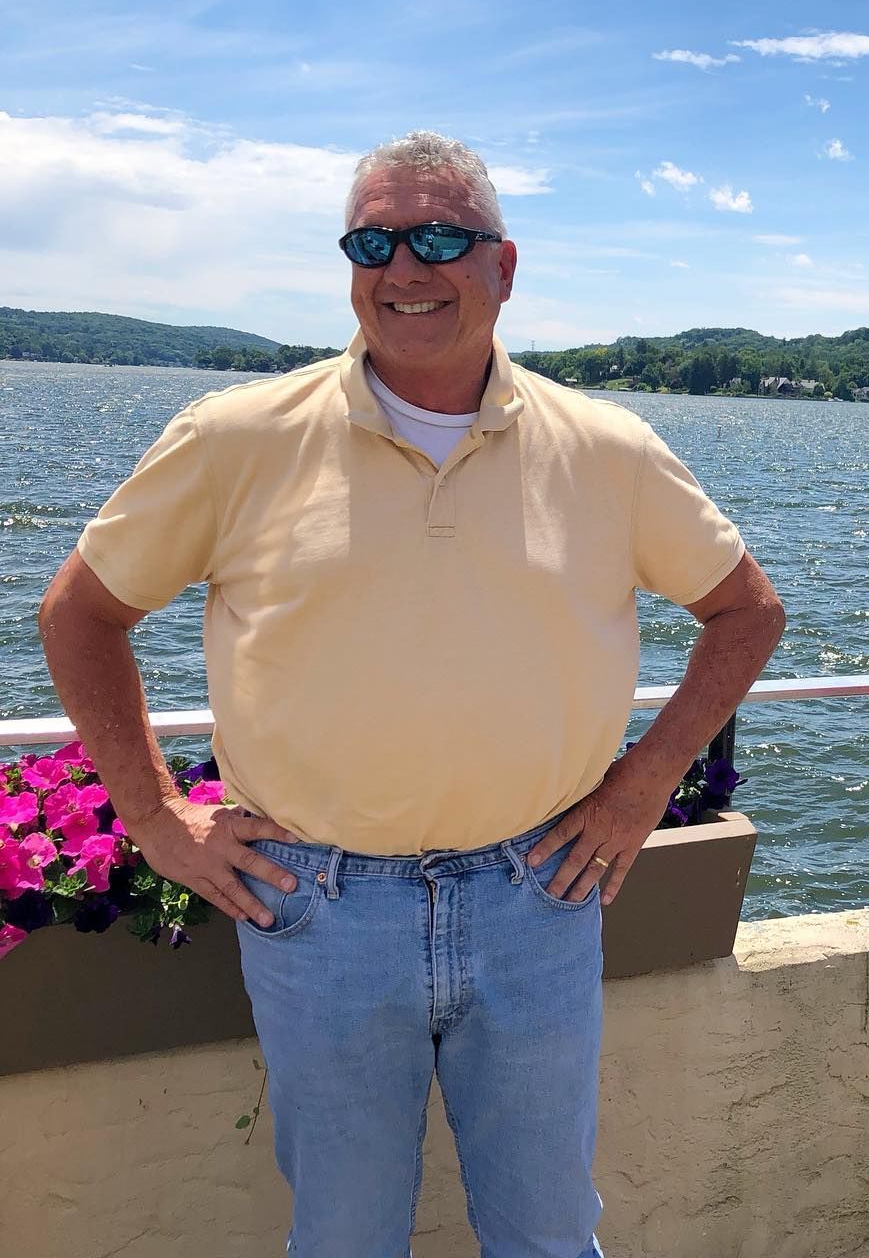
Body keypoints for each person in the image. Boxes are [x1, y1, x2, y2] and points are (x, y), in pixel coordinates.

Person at [38, 131, 786, 1258]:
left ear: (504, 265)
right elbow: (80, 614)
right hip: (317, 910)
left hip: (538, 894)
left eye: (440, 236)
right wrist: (152, 818)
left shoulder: (607, 449)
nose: (404, 268)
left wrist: (640, 788)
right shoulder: (236, 438)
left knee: (545, 1234)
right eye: (373, 240)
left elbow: (747, 611)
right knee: (343, 1239)